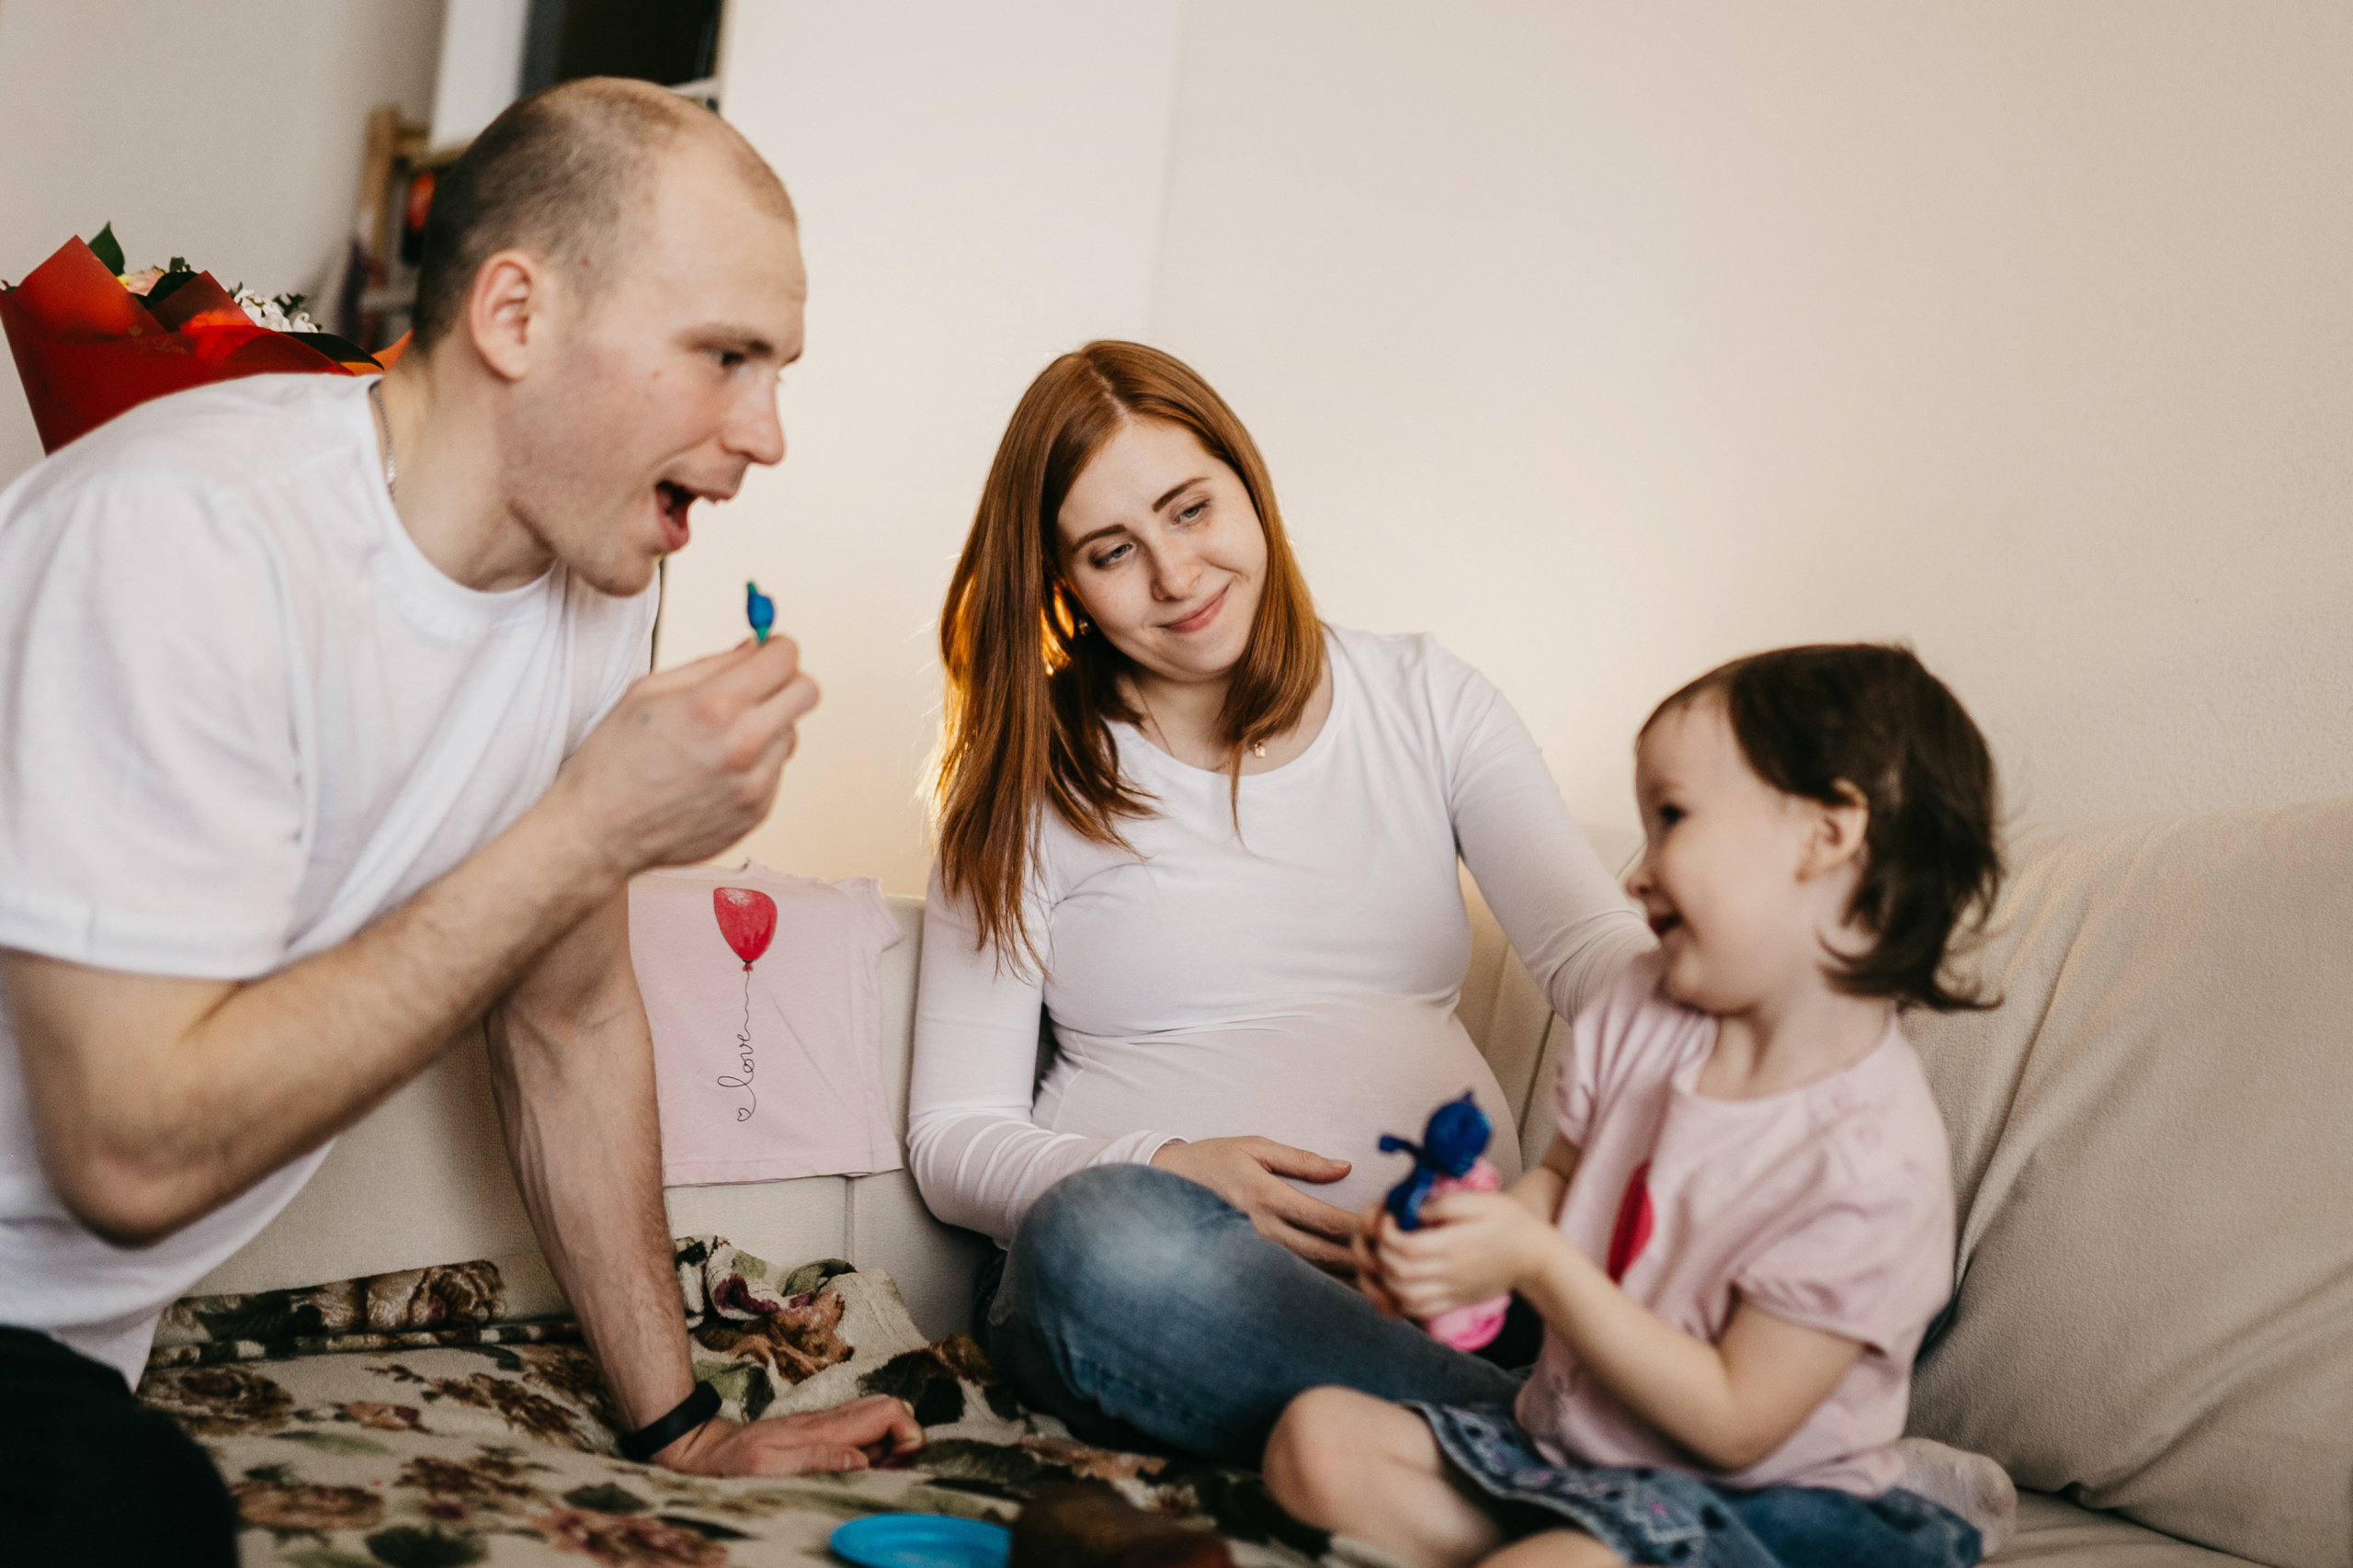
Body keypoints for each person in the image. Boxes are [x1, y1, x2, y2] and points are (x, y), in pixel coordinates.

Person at [0, 79, 918, 1565]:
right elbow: (129, 1157)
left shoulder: (588, 607)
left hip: (51, 1357)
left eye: (780, 369)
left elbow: (570, 1023)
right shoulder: (183, 540)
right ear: (514, 316)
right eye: (726, 357)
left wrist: (684, 1429)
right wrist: (589, 826)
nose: (769, 433)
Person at [907, 341, 1654, 1464]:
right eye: (1114, 550)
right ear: (1062, 581)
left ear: (1247, 485)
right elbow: (951, 1133)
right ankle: (1571, 1446)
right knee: (1094, 1236)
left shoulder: (1422, 698)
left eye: (1190, 508)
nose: (1174, 574)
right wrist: (1159, 1164)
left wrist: (1725, 994)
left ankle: (1470, 1435)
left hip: (1459, 1286)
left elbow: (1590, 948)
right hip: (1159, 1289)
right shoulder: (1022, 777)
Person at [1261, 645, 2003, 1568]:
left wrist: (1536, 1262)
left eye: (1673, 818)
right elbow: (1564, 1182)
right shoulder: (1642, 1004)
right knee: (1312, 1442)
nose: (1634, 874)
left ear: (1827, 831)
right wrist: (1468, 1244)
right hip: (1572, 1450)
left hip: (1755, 1503)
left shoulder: (1871, 1158)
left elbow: (1733, 1421)